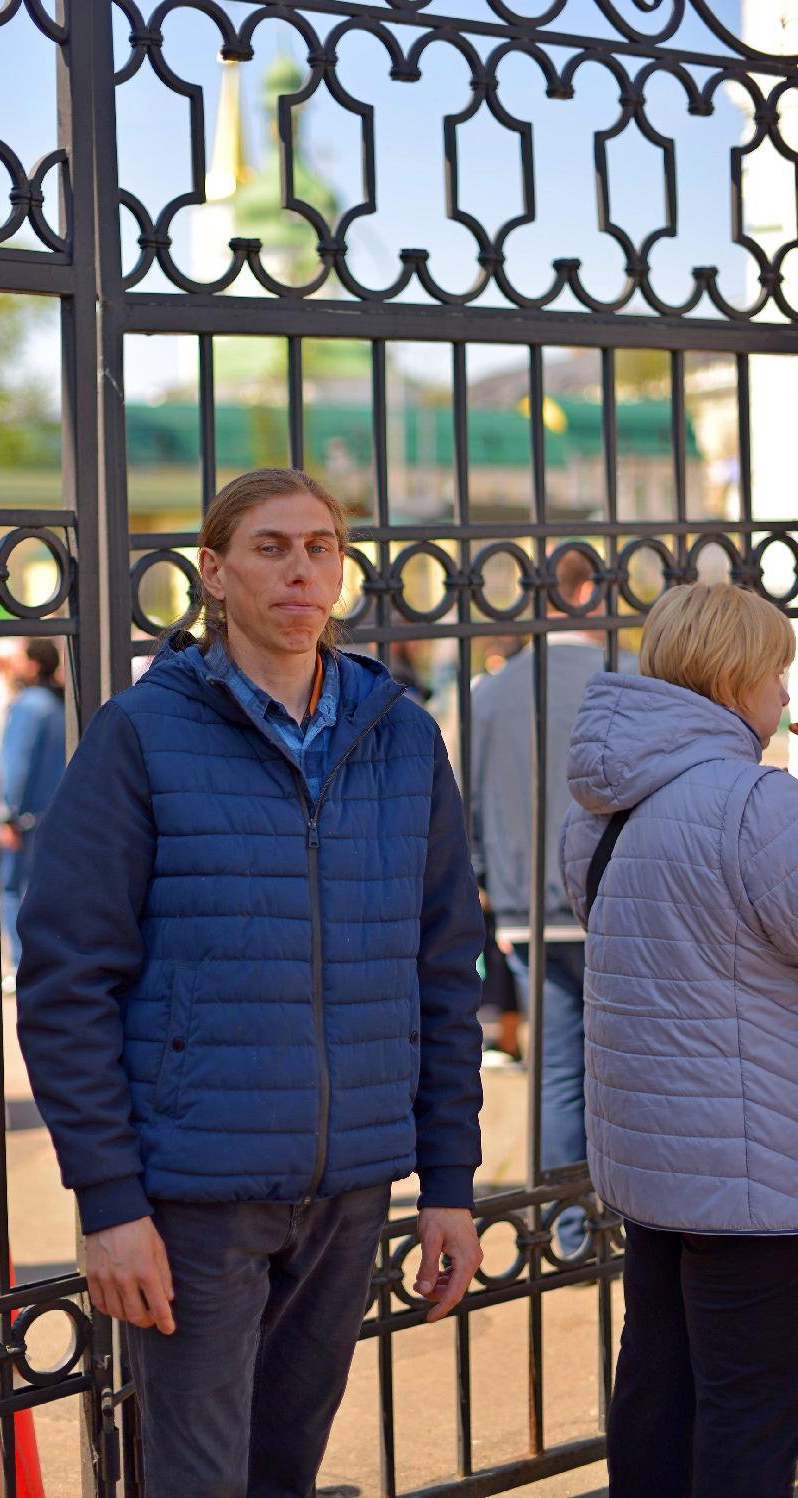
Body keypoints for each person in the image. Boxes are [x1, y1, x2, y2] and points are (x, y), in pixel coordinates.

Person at [17, 467, 486, 1498]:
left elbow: (447, 968)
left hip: (351, 1183)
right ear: (214, 572)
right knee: (196, 1481)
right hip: (196, 1192)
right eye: (271, 547)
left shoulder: (403, 737)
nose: (300, 570)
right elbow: (64, 978)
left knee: (285, 1472)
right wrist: (108, 1197)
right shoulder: (140, 734)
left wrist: (449, 1182)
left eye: (320, 546)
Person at [560, 583, 798, 1498]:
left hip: (653, 1169)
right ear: (736, 679)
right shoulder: (754, 807)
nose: (782, 696)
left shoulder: (606, 811)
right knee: (750, 1404)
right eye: (775, 673)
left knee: (659, 1381)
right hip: (757, 1177)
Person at [470, 549, 633, 1255]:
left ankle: (568, 1227)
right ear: (592, 590)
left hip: (525, 909)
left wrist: (494, 887)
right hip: (616, 900)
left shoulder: (495, 690)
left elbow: (465, 800)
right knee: (633, 1067)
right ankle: (628, 1218)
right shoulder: (624, 680)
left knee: (559, 1068)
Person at [0, 639, 66, 977]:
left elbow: (16, 765)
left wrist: (6, 813)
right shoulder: (57, 703)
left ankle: (21, 963)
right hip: (54, 811)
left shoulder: (28, 706)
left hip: (26, 817)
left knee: (13, 889)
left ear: (34, 664)